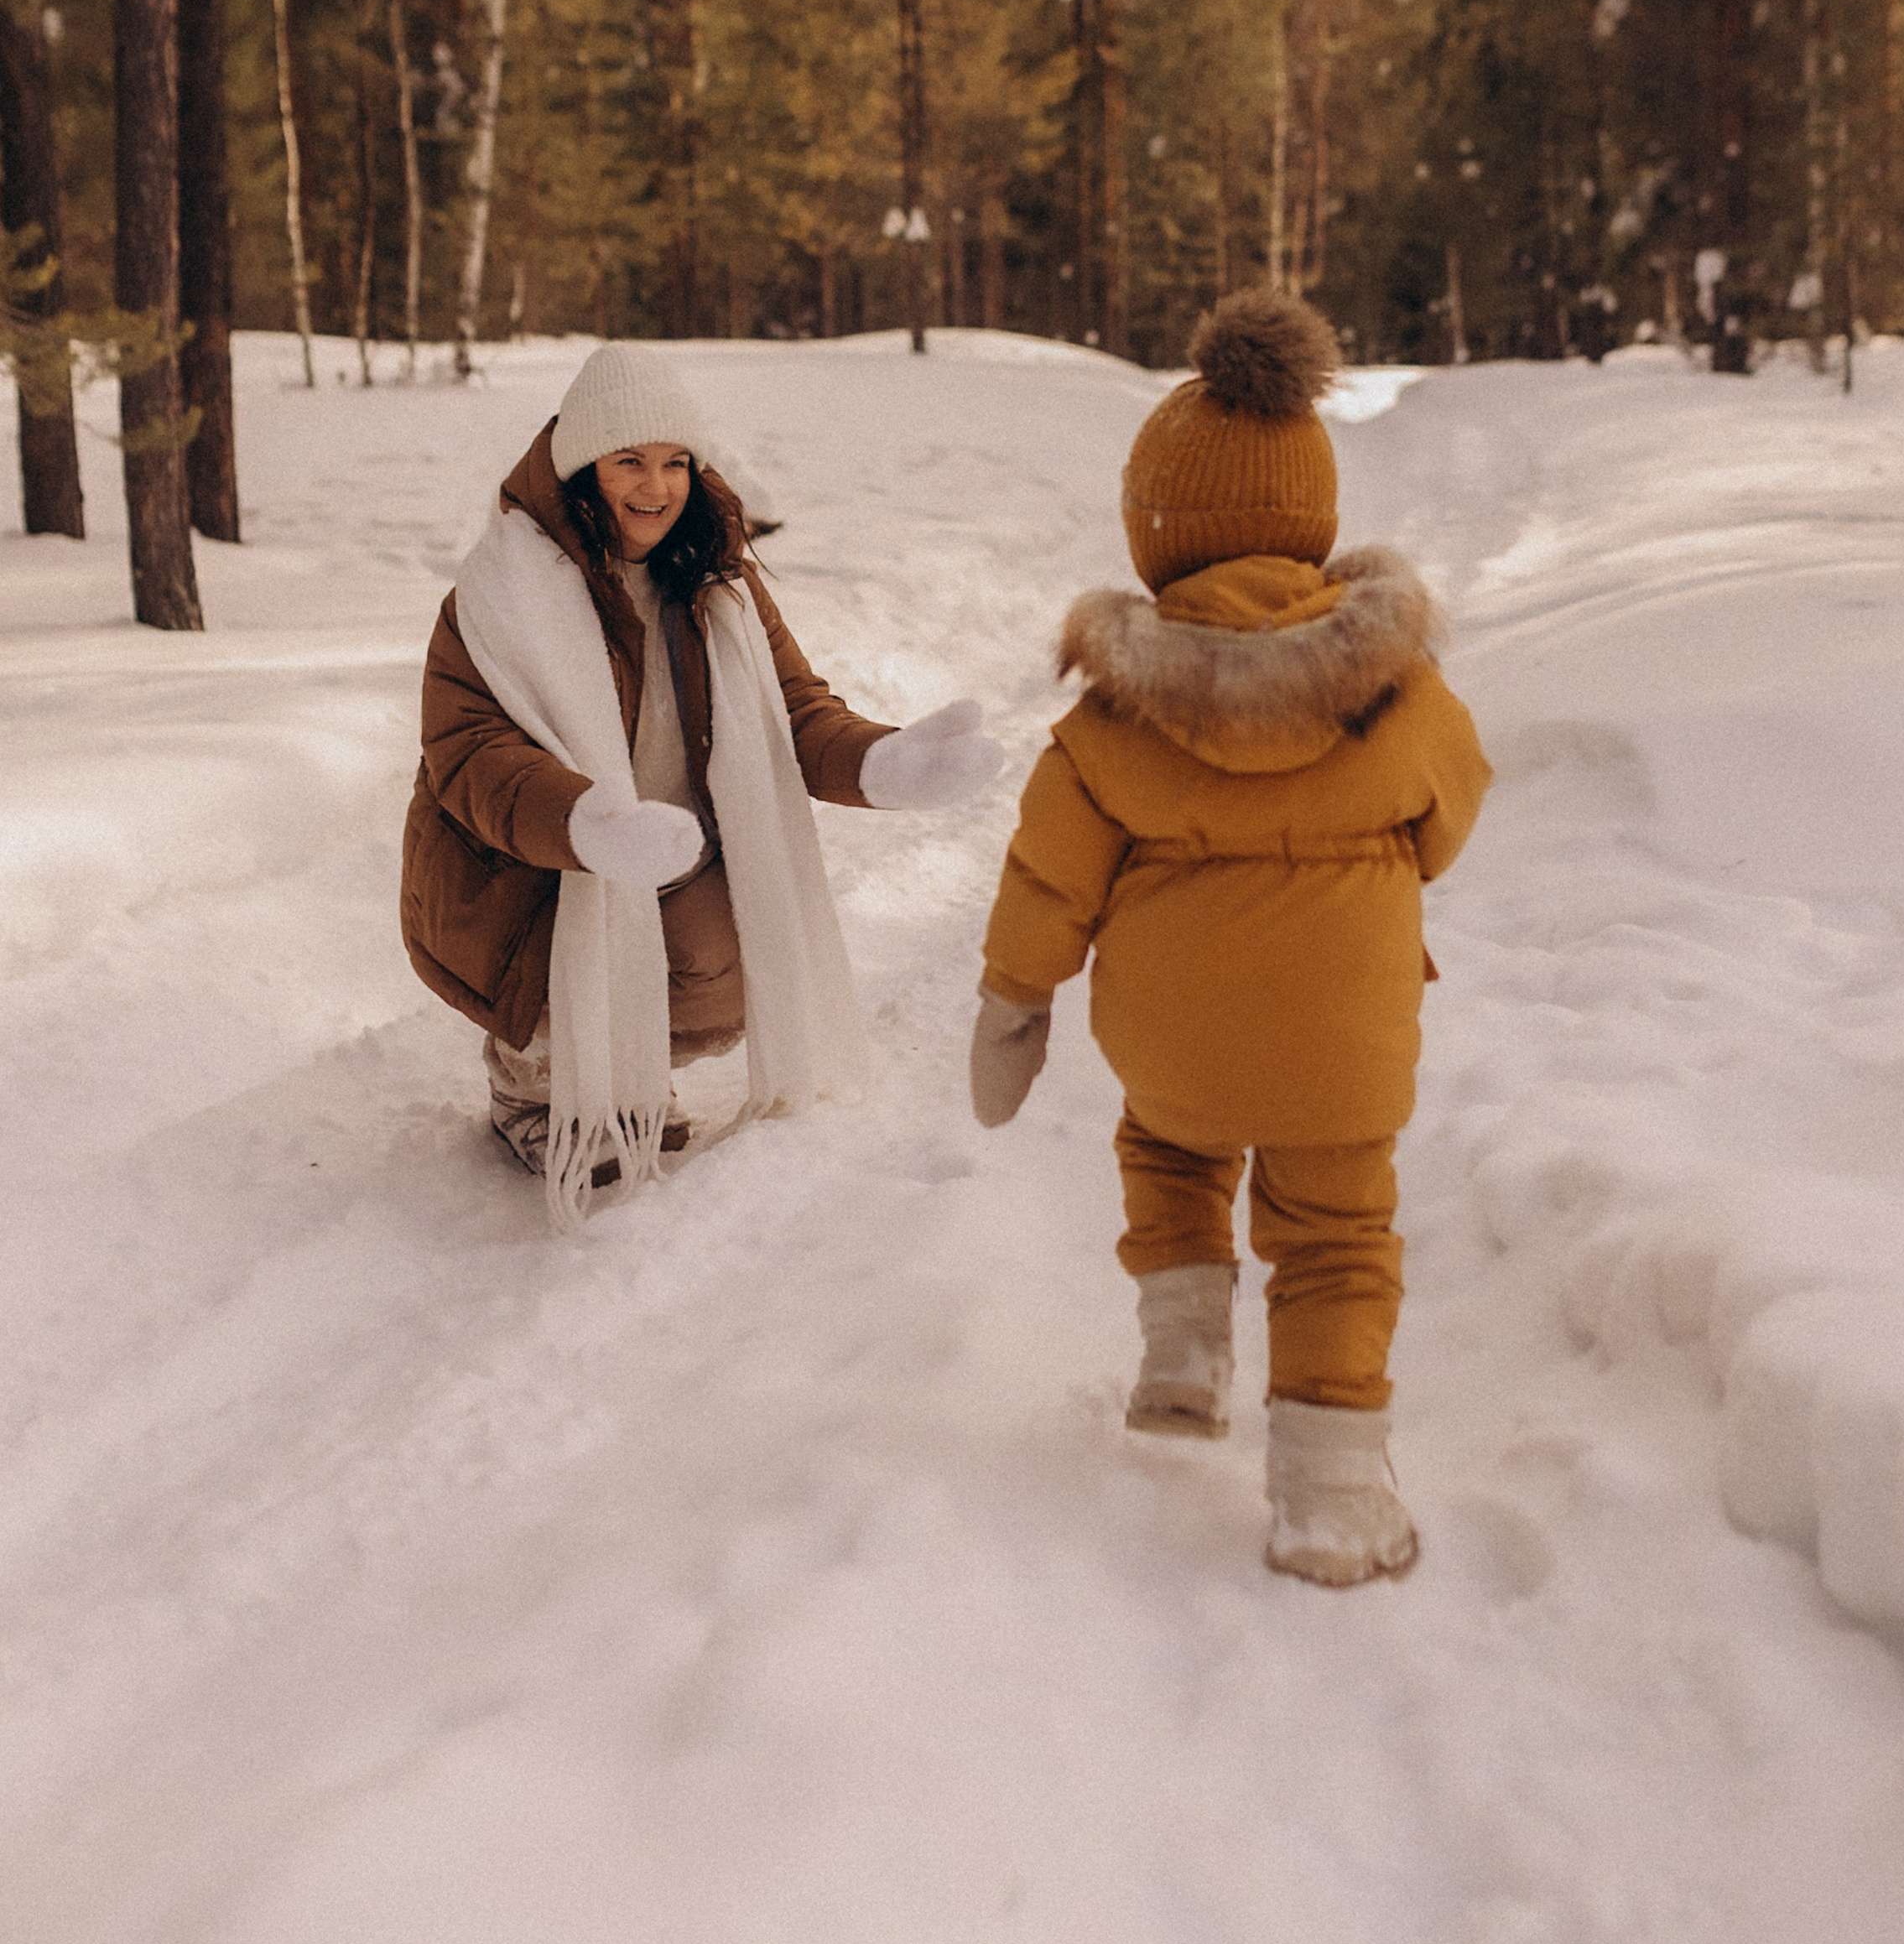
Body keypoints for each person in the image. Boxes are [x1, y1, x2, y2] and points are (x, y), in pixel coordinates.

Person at [969, 288, 1491, 1586]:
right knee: (1335, 1239)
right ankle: (1332, 1497)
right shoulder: (1403, 687)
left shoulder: (1111, 714)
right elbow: (1452, 811)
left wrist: (1014, 1001)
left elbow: (1049, 873)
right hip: (1344, 1036)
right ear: (1313, 517)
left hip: (1175, 1036)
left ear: (1155, 531)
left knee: (1169, 1142)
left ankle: (1185, 1352)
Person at [403, 341, 1001, 1226]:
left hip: (665, 858)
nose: (657, 487)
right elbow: (469, 753)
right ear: (582, 469)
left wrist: (887, 765)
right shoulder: (502, 590)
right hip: (519, 878)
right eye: (628, 461)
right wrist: (587, 824)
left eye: (675, 461)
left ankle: (621, 1061)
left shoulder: (718, 583)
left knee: (740, 953)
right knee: (585, 933)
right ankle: (533, 1083)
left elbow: (797, 713)